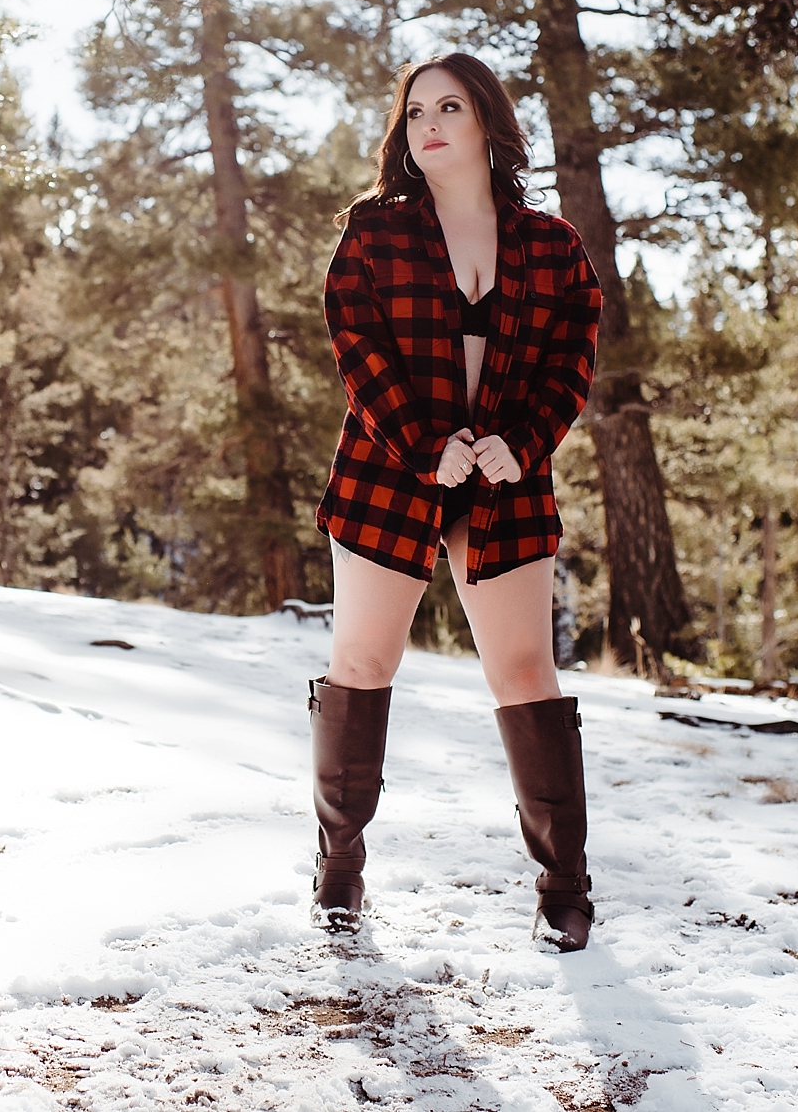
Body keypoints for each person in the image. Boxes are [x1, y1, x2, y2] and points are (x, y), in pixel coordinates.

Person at [309, 52, 604, 951]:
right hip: (389, 468)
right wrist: (424, 445)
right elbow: (355, 346)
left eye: (450, 106)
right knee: (363, 661)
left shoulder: (551, 244)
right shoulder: (374, 232)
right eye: (414, 111)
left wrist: (522, 442)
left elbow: (573, 357)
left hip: (507, 477)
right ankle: (337, 872)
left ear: (486, 122)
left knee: (523, 674)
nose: (427, 123)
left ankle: (565, 887)